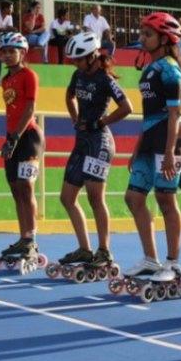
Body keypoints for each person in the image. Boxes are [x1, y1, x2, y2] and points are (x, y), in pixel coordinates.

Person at [55, 32, 134, 275]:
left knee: (94, 198)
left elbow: (127, 107)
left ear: (92, 56)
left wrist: (101, 122)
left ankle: (104, 251)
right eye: (73, 60)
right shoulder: (77, 74)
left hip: (99, 143)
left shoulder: (104, 79)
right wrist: (75, 118)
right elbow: (69, 97)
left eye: (79, 59)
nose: (75, 63)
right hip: (82, 142)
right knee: (67, 198)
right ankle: (84, 249)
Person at [122, 12, 181, 288]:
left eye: (147, 34)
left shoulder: (170, 69)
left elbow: (174, 115)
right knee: (133, 197)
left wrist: (171, 152)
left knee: (165, 200)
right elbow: (149, 113)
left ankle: (173, 263)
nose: (141, 38)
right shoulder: (151, 67)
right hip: (150, 140)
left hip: (169, 140)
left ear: (164, 39)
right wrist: (138, 147)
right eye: (142, 33)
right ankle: (151, 259)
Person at [0, 33, 44, 269]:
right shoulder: (5, 79)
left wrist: (15, 137)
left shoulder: (29, 75)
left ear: (22, 53)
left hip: (28, 138)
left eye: (11, 51)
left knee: (26, 187)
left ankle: (32, 239)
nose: (7, 55)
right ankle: (23, 236)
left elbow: (30, 107)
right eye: (3, 51)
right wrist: (9, 138)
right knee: (15, 189)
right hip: (11, 137)